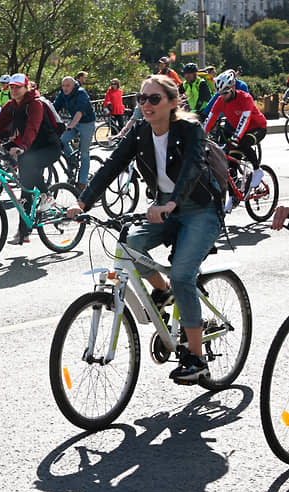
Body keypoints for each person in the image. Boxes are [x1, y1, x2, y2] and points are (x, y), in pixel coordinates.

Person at [67, 75, 223, 382]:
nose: (146, 105)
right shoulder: (139, 132)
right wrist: (82, 203)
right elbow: (110, 167)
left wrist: (172, 203)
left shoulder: (190, 129)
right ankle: (163, 293)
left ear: (173, 102)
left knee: (181, 275)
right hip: (163, 207)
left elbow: (192, 168)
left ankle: (197, 358)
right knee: (129, 246)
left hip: (199, 209)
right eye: (142, 99)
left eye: (154, 99)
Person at [0, 73, 62, 245]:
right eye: (12, 87)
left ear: (27, 87)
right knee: (25, 191)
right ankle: (23, 233)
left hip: (49, 147)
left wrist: (23, 147)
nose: (14, 90)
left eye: (18, 87)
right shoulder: (11, 106)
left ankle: (47, 195)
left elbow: (33, 127)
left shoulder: (35, 104)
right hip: (29, 149)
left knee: (27, 164)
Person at [203, 69, 266, 190]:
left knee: (243, 143)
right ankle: (232, 199)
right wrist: (199, 137)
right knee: (230, 166)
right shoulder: (220, 100)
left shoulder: (245, 98)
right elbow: (210, 119)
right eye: (220, 93)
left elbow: (245, 119)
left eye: (225, 93)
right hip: (242, 129)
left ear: (232, 87)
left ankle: (258, 170)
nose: (222, 96)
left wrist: (236, 139)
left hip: (257, 127)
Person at [54, 76, 96, 189]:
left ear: (73, 85)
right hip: (74, 122)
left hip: (87, 123)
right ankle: (72, 161)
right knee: (62, 140)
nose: (65, 88)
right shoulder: (62, 94)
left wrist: (71, 125)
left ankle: (82, 182)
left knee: (84, 153)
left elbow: (79, 112)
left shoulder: (81, 93)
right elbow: (54, 108)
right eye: (63, 86)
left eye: (67, 86)